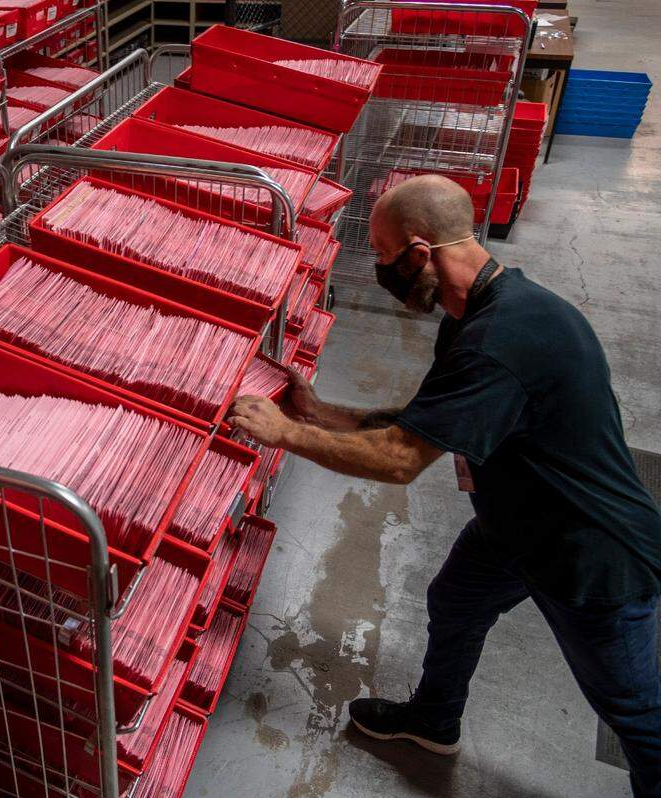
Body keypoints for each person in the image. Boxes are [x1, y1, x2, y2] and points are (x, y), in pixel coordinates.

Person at [228, 174, 661, 796]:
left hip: (589, 549)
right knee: (455, 603)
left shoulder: (498, 340)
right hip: (515, 523)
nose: (379, 268)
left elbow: (402, 459)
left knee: (635, 713)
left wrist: (286, 435)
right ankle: (433, 719)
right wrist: (320, 413)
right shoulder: (479, 311)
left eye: (382, 255)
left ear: (419, 251)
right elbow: (424, 421)